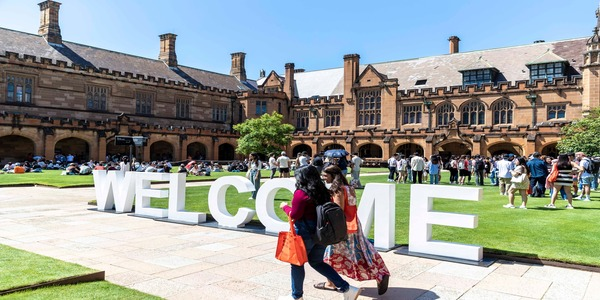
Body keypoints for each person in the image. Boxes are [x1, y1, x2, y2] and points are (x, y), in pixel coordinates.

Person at [278, 166, 362, 300]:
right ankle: (347, 288)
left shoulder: (301, 193)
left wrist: (285, 207)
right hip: (322, 231)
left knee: (297, 263)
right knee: (317, 262)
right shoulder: (323, 191)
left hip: (305, 231)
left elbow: (295, 214)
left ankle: (296, 296)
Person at [319, 165, 390, 295]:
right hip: (354, 224)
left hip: (341, 227)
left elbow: (337, 211)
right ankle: (380, 273)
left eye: (325, 175)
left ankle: (330, 283)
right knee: (363, 251)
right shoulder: (349, 188)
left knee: (331, 255)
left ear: (333, 175)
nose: (323, 178)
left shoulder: (338, 190)